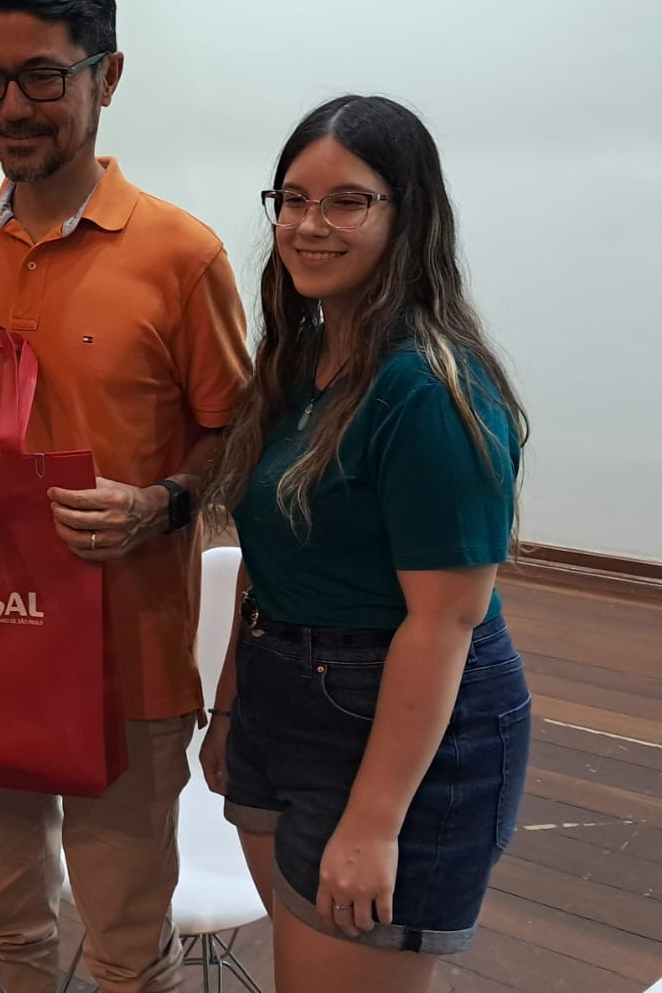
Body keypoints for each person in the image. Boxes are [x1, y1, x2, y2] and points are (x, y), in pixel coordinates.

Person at [0, 0, 252, 993]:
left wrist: (159, 502)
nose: (9, 106)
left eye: (40, 76)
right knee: (5, 929)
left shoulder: (181, 255)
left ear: (106, 76)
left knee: (126, 948)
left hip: (126, 659)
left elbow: (237, 435)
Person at [200, 96, 531, 993]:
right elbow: (269, 560)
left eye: (347, 201)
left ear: (407, 215)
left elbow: (445, 621)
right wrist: (230, 711)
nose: (309, 225)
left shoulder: (429, 390)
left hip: (396, 728)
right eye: (292, 199)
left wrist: (376, 821)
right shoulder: (295, 363)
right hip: (279, 700)